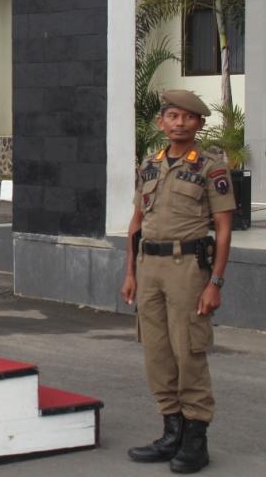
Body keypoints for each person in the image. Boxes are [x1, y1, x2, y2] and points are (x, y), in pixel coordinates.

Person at [121, 90, 234, 474]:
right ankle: (171, 432)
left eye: (188, 117)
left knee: (189, 350)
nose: (179, 122)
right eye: (172, 116)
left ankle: (195, 440)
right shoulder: (149, 165)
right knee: (156, 351)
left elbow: (223, 226)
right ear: (161, 123)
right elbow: (135, 224)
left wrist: (215, 281)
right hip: (148, 267)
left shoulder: (210, 166)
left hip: (187, 267)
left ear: (200, 124)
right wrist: (131, 273)